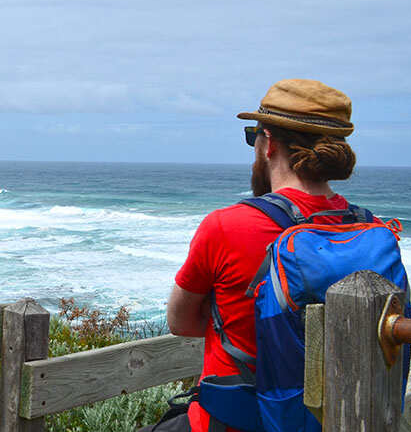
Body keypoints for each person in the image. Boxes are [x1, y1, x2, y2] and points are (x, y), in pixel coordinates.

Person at [151, 79, 359, 432]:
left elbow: (181, 322)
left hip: (232, 421)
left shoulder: (226, 227)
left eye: (254, 136)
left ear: (268, 144)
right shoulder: (370, 232)